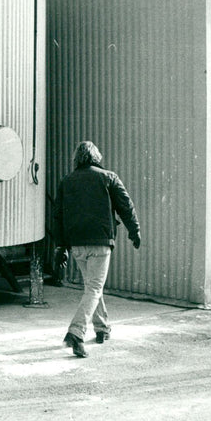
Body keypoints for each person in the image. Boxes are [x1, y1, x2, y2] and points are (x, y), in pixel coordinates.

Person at [53, 141, 141, 358]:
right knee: (94, 288)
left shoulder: (66, 181)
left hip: (76, 245)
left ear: (77, 158)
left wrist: (60, 246)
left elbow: (58, 216)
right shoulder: (108, 177)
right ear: (96, 157)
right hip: (100, 243)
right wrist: (134, 230)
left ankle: (102, 328)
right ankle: (76, 332)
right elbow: (126, 205)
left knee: (92, 286)